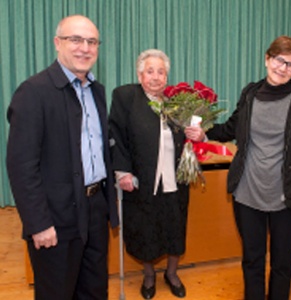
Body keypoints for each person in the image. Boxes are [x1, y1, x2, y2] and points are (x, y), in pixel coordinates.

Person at [185, 35, 291, 300]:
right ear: (267, 59)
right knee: (252, 259)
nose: (283, 68)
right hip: (247, 193)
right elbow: (232, 127)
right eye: (279, 60)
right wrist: (204, 135)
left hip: (288, 197)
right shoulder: (250, 93)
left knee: (282, 265)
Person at [6, 15, 119, 299]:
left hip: (94, 210)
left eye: (92, 41)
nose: (85, 48)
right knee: (57, 292)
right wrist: (39, 223)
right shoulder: (34, 91)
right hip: (55, 215)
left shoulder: (97, 91)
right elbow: (21, 165)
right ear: (58, 43)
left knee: (94, 290)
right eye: (75, 40)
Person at [109, 49, 189, 299]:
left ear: (167, 75)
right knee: (145, 229)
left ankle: (172, 274)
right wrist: (122, 172)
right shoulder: (126, 96)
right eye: (150, 71)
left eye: (161, 71)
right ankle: (149, 276)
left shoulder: (178, 101)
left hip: (175, 180)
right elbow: (117, 136)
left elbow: (190, 134)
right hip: (141, 180)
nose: (156, 77)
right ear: (140, 74)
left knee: (175, 227)